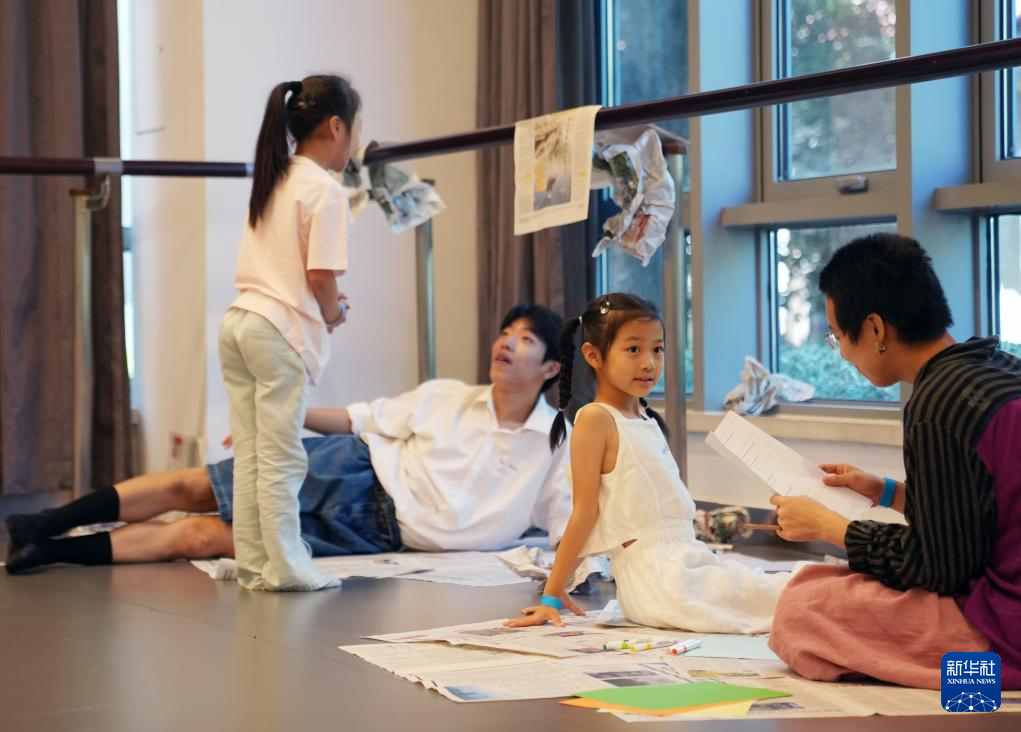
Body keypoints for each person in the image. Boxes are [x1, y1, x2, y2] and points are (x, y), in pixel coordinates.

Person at [5, 305, 571, 574]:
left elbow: (570, 520)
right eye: (504, 332)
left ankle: (50, 552)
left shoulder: (557, 443)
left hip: (376, 532)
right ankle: (44, 522)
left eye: (524, 340)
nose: (506, 343)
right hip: (353, 467)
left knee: (204, 538)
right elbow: (358, 418)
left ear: (551, 369)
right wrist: (281, 416)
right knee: (194, 488)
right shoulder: (449, 396)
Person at [768, 233, 1021, 690]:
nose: (843, 352)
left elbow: (941, 568)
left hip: (1004, 627)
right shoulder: (996, 367)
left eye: (838, 336)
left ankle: (978, 681)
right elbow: (979, 514)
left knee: (803, 607)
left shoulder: (937, 404)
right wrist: (885, 491)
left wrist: (830, 527)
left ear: (875, 329)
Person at [505, 293, 791, 634]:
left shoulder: (645, 420)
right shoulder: (596, 419)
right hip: (660, 583)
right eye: (633, 349)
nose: (649, 363)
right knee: (791, 597)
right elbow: (584, 516)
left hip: (686, 564)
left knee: (793, 586)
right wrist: (552, 596)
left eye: (657, 349)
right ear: (593, 355)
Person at [219, 75, 362, 591]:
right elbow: (321, 276)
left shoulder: (274, 178)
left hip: (240, 321)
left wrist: (325, 304)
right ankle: (286, 567)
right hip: (276, 330)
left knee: (252, 454)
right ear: (336, 126)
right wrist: (333, 313)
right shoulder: (325, 190)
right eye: (355, 130)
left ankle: (255, 563)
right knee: (280, 456)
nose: (355, 143)